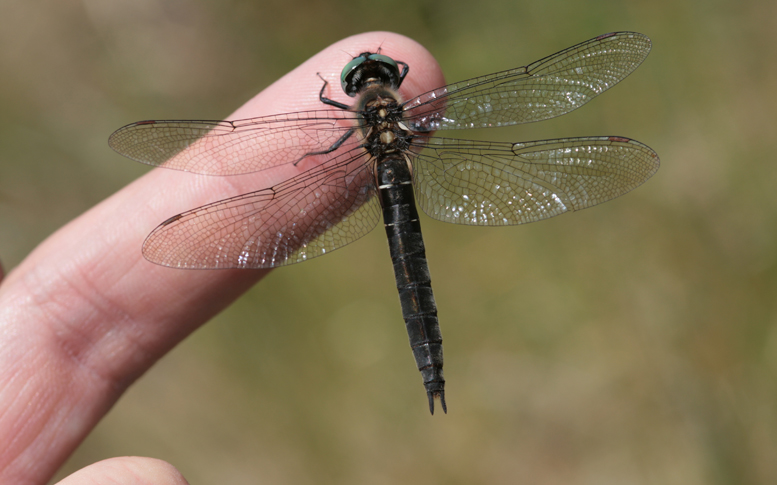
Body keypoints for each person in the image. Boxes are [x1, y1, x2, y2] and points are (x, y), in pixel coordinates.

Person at [0, 32, 444, 485]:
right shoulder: (403, 106)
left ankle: (430, 373)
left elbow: (328, 141)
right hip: (397, 172)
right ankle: (434, 372)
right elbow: (404, 74)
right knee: (412, 265)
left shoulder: (352, 114)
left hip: (378, 174)